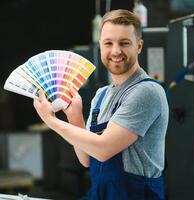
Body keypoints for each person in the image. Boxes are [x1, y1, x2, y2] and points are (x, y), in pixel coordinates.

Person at [33, 9, 169, 200]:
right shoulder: (101, 95)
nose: (115, 51)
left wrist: (51, 120)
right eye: (108, 43)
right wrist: (75, 117)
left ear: (139, 46)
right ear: (100, 47)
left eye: (124, 43)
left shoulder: (146, 92)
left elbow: (103, 150)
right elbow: (87, 158)